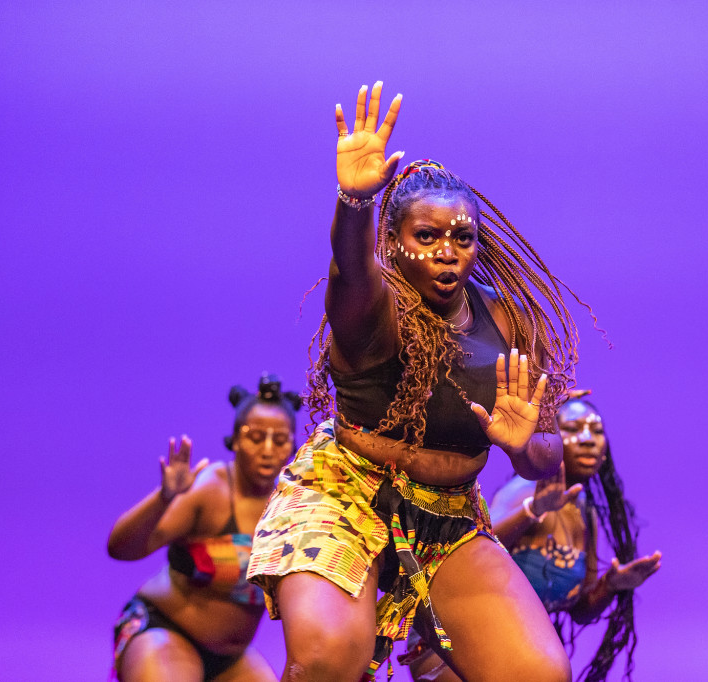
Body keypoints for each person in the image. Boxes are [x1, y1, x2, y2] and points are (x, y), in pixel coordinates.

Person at [246, 81, 582, 682]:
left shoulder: (507, 319)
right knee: (326, 660)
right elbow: (350, 270)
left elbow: (545, 457)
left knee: (538, 673)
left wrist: (524, 446)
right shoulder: (372, 308)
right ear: (393, 245)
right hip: (346, 494)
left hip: (448, 516)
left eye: (461, 237)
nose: (447, 252)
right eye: (426, 237)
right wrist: (355, 204)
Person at [403, 391, 661, 682]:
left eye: (596, 431)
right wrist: (533, 510)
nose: (588, 439)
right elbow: (467, 544)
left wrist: (612, 585)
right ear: (551, 440)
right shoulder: (524, 491)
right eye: (573, 430)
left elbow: (580, 611)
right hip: (450, 645)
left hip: (508, 650)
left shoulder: (585, 514)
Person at [108, 374, 301, 681]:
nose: (267, 449)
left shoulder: (291, 506)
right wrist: (163, 498)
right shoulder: (210, 489)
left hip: (232, 659)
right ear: (236, 439)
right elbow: (120, 549)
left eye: (279, 440)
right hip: (164, 630)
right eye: (255, 436)